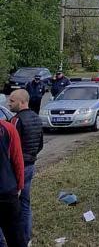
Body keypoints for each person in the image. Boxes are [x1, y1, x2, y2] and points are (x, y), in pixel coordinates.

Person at [4, 90, 43, 246]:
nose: (9, 103)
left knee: (11, 205)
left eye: (12, 101)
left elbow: (10, 148)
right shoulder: (37, 118)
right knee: (26, 202)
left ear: (21, 102)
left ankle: (14, 238)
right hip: (31, 165)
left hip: (17, 169)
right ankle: (26, 238)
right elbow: (40, 144)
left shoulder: (16, 120)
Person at [0, 119, 26, 247]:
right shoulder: (7, 128)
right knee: (15, 236)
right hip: (7, 190)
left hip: (7, 190)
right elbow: (18, 160)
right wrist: (19, 185)